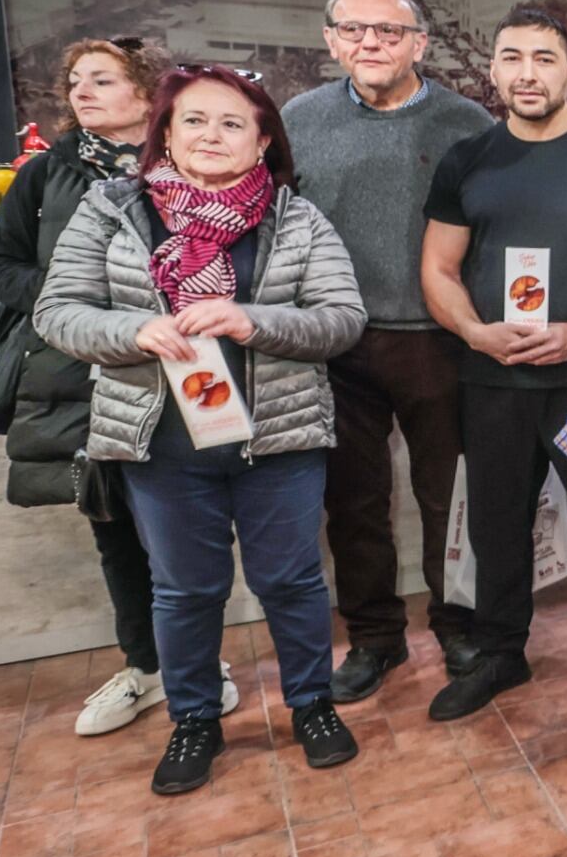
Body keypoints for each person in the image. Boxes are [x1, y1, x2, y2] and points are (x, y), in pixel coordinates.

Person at [34, 65, 367, 794]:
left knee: (292, 579)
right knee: (184, 589)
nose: (211, 135)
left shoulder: (295, 217)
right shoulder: (113, 210)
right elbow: (57, 311)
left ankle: (311, 704)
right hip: (162, 443)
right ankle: (194, 718)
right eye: (194, 120)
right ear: (165, 131)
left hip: (278, 437)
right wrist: (136, 330)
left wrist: (256, 321)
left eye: (231, 123)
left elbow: (342, 318)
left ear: (261, 141)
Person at [0, 39, 240, 735]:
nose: (81, 92)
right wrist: (74, 303)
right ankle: (145, 666)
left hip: (187, 375)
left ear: (147, 89)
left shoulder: (192, 162)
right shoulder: (48, 174)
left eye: (102, 79)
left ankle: (203, 664)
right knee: (114, 526)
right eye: (74, 81)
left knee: (186, 528)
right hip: (83, 379)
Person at [418, 6, 567, 721]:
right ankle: (501, 653)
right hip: (492, 376)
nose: (528, 72)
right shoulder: (467, 160)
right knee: (497, 524)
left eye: (544, 59)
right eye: (513, 58)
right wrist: (475, 332)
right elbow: (437, 266)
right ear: (493, 71)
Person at [282, 0, 492, 704]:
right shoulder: (296, 121)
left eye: (390, 32)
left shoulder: (468, 122)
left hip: (438, 339)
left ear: (420, 44)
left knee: (449, 497)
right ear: (331, 39)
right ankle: (374, 637)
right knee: (355, 501)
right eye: (355, 30)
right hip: (336, 343)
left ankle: (458, 620)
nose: (371, 43)